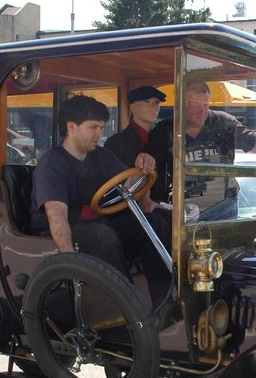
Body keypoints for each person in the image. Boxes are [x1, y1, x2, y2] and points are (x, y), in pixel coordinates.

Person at [30, 94, 171, 307]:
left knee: (154, 223)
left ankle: (166, 301)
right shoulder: (53, 164)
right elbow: (57, 216)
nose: (99, 133)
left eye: (101, 128)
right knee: (101, 235)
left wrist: (143, 166)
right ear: (71, 127)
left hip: (99, 223)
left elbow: (128, 182)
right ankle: (127, 309)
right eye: (93, 127)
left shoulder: (101, 156)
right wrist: (68, 262)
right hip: (59, 231)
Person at [146, 79, 256, 202]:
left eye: (205, 105)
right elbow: (149, 172)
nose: (201, 112)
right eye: (195, 105)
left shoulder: (223, 123)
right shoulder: (164, 130)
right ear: (180, 105)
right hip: (181, 207)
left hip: (222, 207)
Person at [104, 86, 166, 166]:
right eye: (146, 101)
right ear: (133, 107)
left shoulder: (164, 139)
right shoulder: (115, 143)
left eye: (156, 102)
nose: (154, 106)